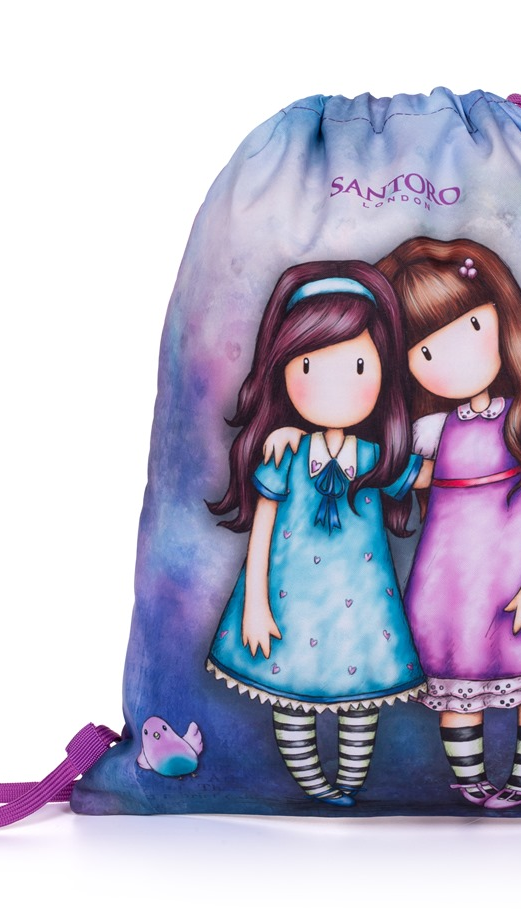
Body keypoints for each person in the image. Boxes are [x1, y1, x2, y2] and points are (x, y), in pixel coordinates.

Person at [376, 236, 521, 810]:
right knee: (458, 673)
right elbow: (418, 479)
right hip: (454, 575)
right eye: (426, 351)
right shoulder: (434, 429)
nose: (452, 358)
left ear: (503, 321)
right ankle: (470, 779)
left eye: (472, 328)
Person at [206, 260, 427, 806]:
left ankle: (349, 783)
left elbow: (431, 474)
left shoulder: (374, 457)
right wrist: (255, 604)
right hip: (291, 600)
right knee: (289, 697)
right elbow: (262, 528)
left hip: (362, 606)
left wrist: (508, 431)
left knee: (363, 700)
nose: (335, 385)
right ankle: (315, 785)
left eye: (358, 365)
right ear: (282, 367)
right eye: (309, 364)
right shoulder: (285, 452)